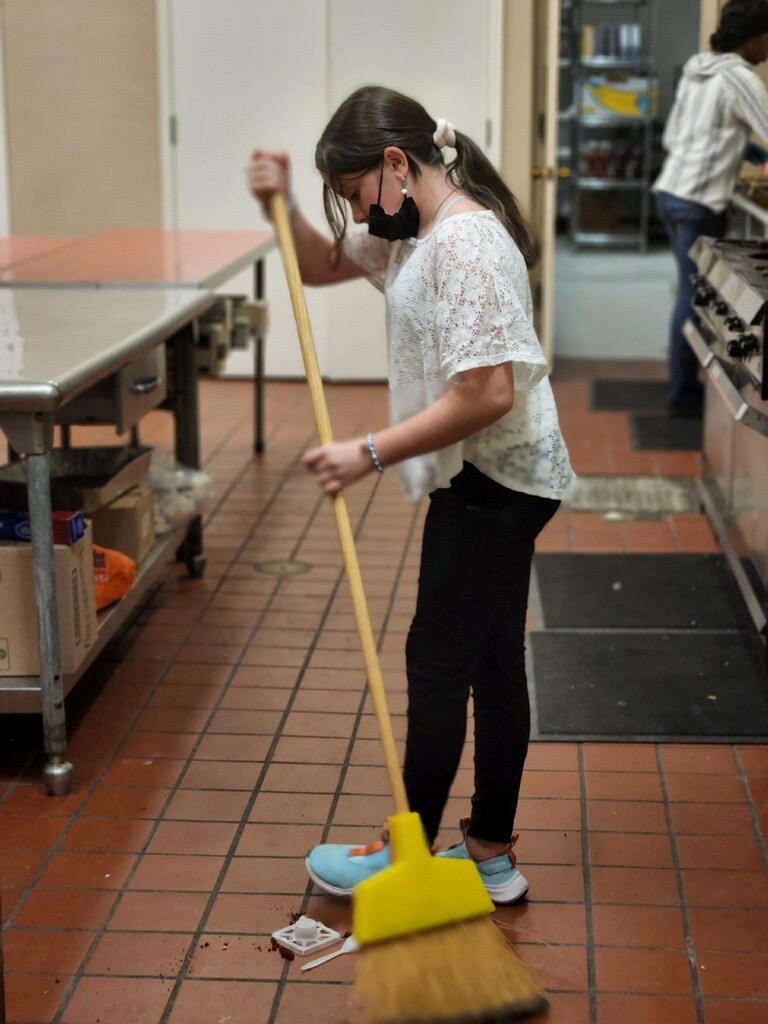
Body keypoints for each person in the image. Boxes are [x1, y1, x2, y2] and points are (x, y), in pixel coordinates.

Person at [248, 86, 575, 905]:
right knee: (493, 661)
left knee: (437, 665)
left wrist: (367, 452)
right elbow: (320, 264)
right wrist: (279, 202)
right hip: (500, 476)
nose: (358, 219)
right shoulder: (413, 235)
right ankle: (491, 856)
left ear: (398, 164)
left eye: (358, 197)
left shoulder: (466, 243)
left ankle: (409, 856)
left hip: (495, 480)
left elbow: (486, 393)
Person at [653, 0, 768, 418]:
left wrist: (748, 150)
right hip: (698, 202)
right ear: (754, 37)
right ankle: (683, 395)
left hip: (671, 192)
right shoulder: (741, 79)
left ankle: (685, 385)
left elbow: (681, 135)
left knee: (689, 290)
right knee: (693, 294)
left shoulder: (697, 69)